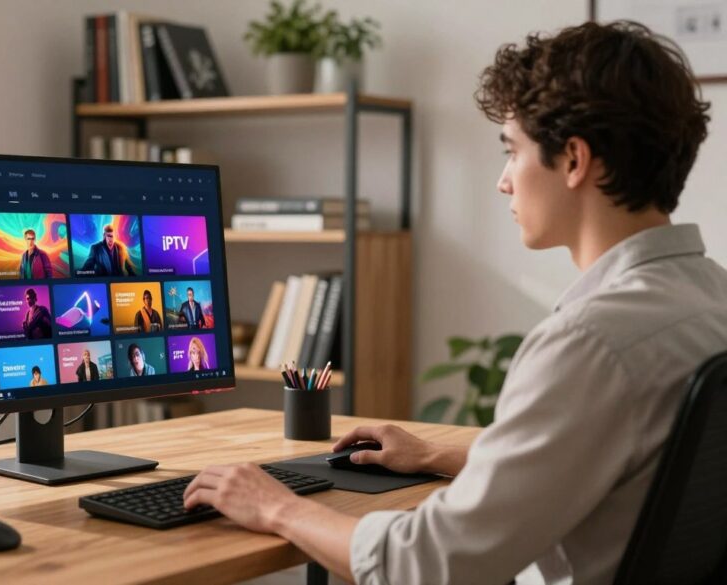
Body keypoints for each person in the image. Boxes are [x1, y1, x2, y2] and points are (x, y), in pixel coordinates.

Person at [183, 21, 726, 585]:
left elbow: (432, 564)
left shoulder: (591, 343)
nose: (503, 181)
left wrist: (277, 507)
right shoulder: (712, 300)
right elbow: (622, 469)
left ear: (573, 160)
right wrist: (439, 456)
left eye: (512, 151)